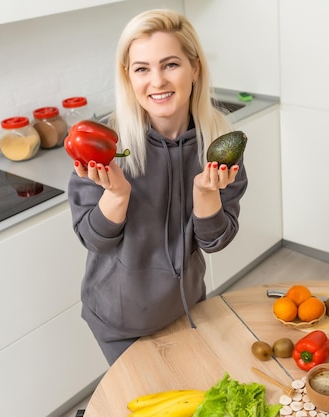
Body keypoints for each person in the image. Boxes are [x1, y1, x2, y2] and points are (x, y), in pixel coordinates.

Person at [67, 9, 248, 365]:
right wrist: (117, 196)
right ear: (128, 77)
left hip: (187, 308)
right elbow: (93, 239)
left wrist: (205, 194)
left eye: (170, 65)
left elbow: (216, 241)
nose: (157, 81)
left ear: (194, 69)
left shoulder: (219, 144)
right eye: (142, 69)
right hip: (120, 322)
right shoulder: (106, 145)